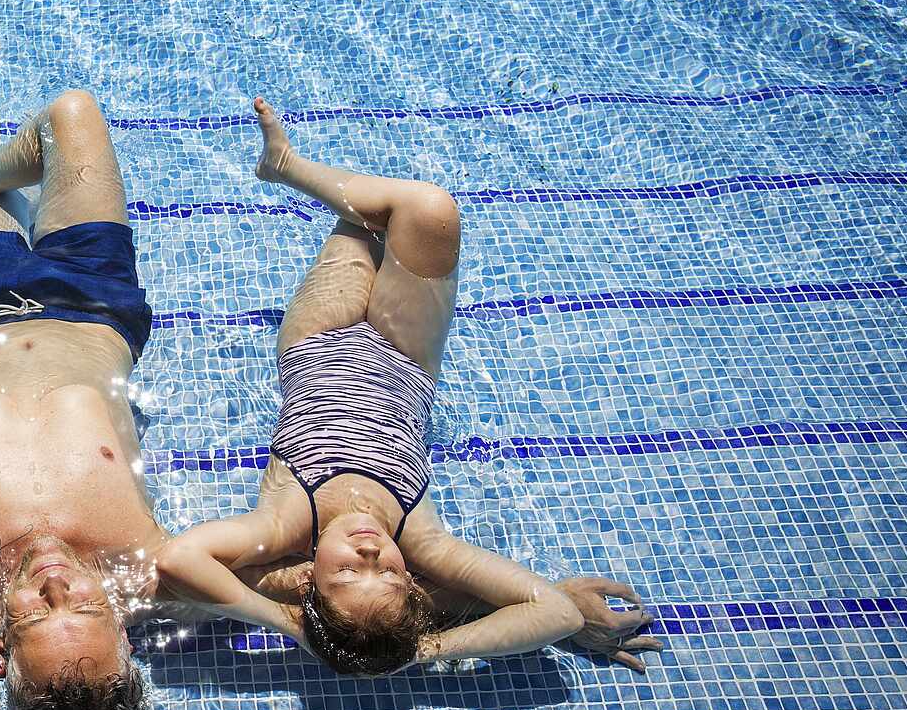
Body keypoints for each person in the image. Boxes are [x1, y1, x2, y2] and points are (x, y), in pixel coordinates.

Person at [154, 98, 664, 676]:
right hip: (406, 353)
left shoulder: (286, 522)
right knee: (428, 210)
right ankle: (289, 166)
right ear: (413, 581)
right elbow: (557, 612)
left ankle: (285, 165)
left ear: (308, 579)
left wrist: (290, 626)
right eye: (390, 575)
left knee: (365, 222)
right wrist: (419, 653)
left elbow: (179, 558)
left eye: (348, 571)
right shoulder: (423, 539)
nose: (371, 552)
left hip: (320, 340)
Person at [0, 90, 306, 710]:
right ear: (123, 633)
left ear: (3, 652)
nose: (55, 583)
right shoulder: (153, 576)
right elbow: (308, 586)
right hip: (93, 296)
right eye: (82, 607)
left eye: (36, 615)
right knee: (72, 113)